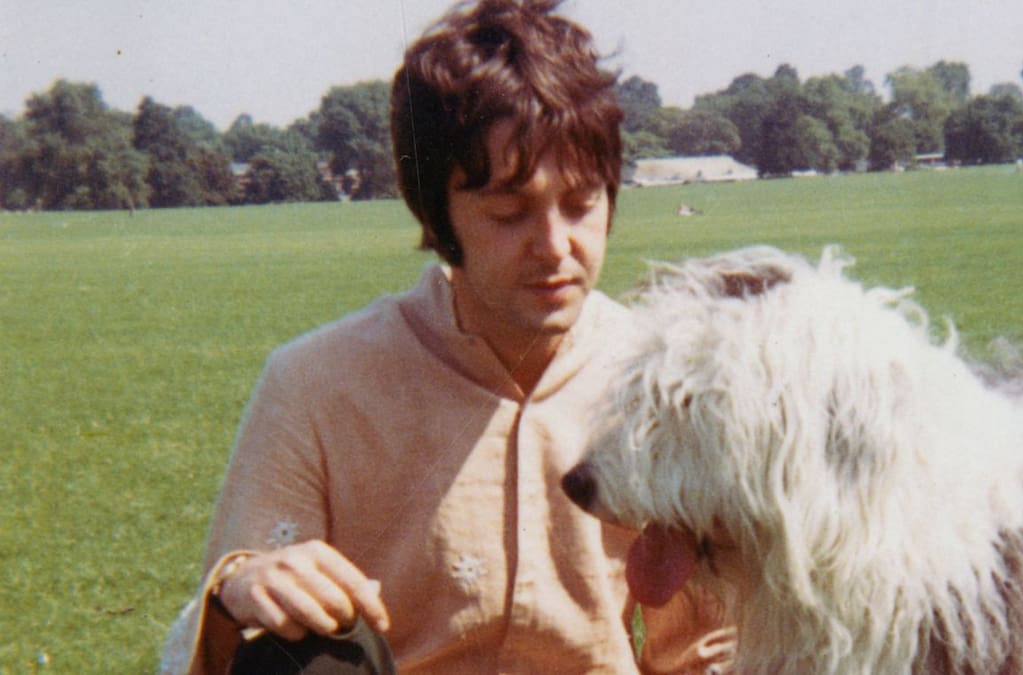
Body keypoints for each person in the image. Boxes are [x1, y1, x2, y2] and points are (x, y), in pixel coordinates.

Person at [159, 1, 735, 672]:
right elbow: (246, 629)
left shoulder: (659, 380)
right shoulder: (314, 384)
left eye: (581, 203)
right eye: (509, 212)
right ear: (437, 216)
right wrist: (241, 589)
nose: (556, 247)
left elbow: (708, 647)